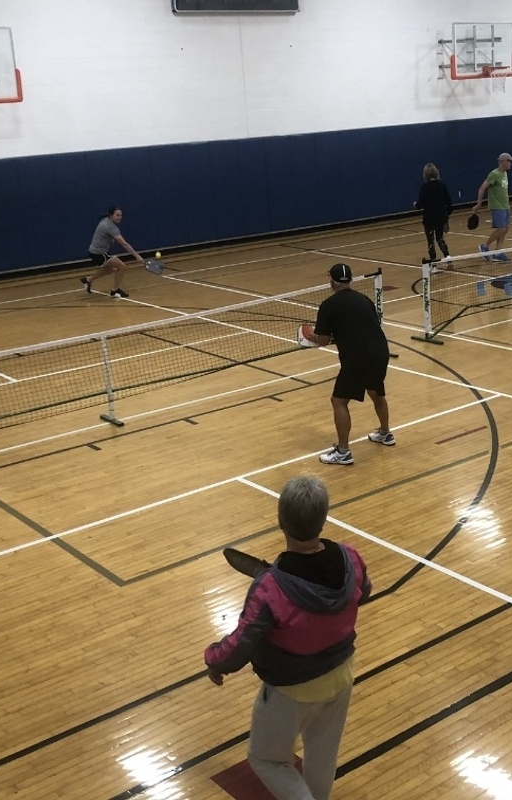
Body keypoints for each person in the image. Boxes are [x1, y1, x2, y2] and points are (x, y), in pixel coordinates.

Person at [204, 474, 370, 800]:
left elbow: (241, 644)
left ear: (280, 522)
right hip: (340, 678)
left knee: (266, 758)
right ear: (323, 520)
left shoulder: (270, 587)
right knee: (321, 757)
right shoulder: (351, 557)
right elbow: (362, 593)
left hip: (291, 691)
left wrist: (214, 659)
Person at [305, 263, 393, 466]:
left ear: (332, 281)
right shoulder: (364, 300)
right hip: (380, 352)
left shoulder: (328, 305)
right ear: (350, 280)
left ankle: (343, 452)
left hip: (357, 357)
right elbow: (364, 327)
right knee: (376, 393)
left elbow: (324, 340)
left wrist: (311, 337)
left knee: (339, 401)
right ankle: (385, 434)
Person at [80, 206, 144, 299]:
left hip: (95, 251)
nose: (120, 217)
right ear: (111, 215)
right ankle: (115, 290)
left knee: (111, 269)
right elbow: (124, 244)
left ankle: (88, 280)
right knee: (121, 266)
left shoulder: (105, 220)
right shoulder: (110, 227)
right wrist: (137, 256)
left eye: (121, 215)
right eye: (117, 215)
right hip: (99, 253)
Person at [473, 152, 512, 262]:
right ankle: (485, 246)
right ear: (503, 162)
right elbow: (482, 188)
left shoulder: (504, 174)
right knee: (501, 228)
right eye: (509, 161)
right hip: (497, 206)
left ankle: (498, 251)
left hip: (505, 205)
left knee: (505, 229)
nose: (511, 163)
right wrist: (479, 203)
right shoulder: (494, 174)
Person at [414, 162, 452, 264]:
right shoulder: (442, 186)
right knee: (440, 238)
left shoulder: (425, 187)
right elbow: (449, 203)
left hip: (429, 219)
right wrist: (446, 216)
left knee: (430, 241)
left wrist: (415, 205)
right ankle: (448, 257)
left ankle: (433, 264)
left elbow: (420, 205)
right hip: (440, 217)